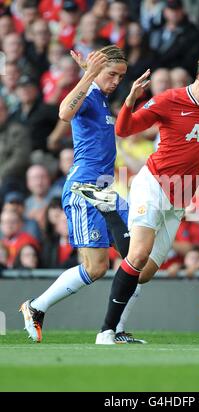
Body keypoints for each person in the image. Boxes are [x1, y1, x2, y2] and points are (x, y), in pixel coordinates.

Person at [75, 53, 199, 344]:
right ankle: (107, 332)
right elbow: (124, 129)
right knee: (138, 254)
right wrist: (131, 99)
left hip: (182, 193)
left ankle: (110, 210)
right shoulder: (169, 100)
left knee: (143, 273)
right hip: (154, 182)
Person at [19, 45, 154, 344]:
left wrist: (94, 75)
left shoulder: (101, 99)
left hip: (105, 191)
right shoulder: (90, 96)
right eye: (112, 74)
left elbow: (91, 93)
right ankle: (36, 307)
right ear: (98, 72)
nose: (117, 80)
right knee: (96, 268)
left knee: (137, 259)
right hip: (84, 189)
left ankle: (114, 330)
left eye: (120, 75)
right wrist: (90, 74)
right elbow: (64, 112)